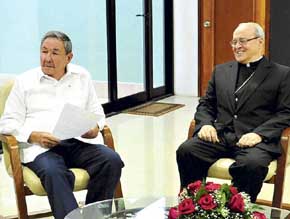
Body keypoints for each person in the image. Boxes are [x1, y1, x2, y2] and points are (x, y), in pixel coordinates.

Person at [0, 31, 124, 218]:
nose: (47, 58)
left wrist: (95, 128)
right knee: (53, 172)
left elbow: (97, 113)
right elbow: (7, 123)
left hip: (76, 143)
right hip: (40, 149)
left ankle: (95, 216)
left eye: (55, 53)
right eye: (44, 51)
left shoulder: (81, 76)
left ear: (69, 57)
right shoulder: (25, 81)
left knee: (111, 160)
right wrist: (33, 135)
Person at [176, 22, 290, 202]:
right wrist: (205, 124)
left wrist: (259, 134)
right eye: (234, 42)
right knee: (187, 150)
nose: (237, 46)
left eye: (242, 41)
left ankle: (238, 209)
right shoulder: (221, 71)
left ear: (260, 42)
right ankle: (195, 204)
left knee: (252, 165)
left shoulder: (281, 74)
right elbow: (206, 104)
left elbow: (286, 113)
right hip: (221, 135)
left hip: (255, 141)